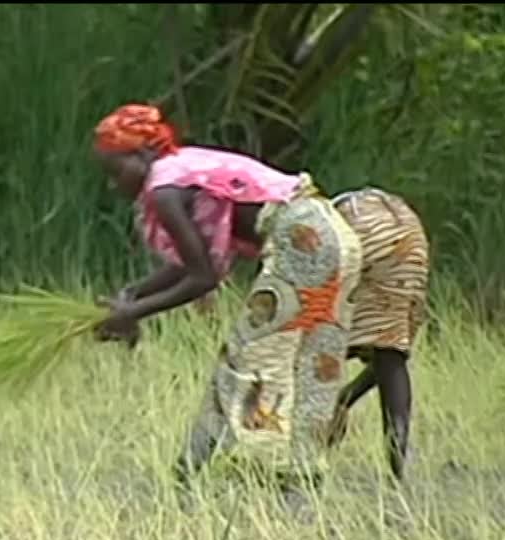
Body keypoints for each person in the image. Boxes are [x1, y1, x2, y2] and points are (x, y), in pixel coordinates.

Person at [90, 103, 364, 501]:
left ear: (144, 154)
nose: (115, 185)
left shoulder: (163, 189)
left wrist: (134, 312)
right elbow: (194, 262)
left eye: (116, 171)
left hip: (301, 240)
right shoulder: (183, 168)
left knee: (251, 361)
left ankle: (247, 472)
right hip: (335, 234)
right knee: (315, 362)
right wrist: (133, 295)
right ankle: (303, 477)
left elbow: (202, 277)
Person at [322, 188, 430, 481]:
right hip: (409, 237)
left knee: (318, 347)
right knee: (392, 355)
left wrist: (339, 399)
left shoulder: (312, 221)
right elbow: (390, 353)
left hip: (358, 227)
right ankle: (399, 467)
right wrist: (346, 398)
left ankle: (308, 453)